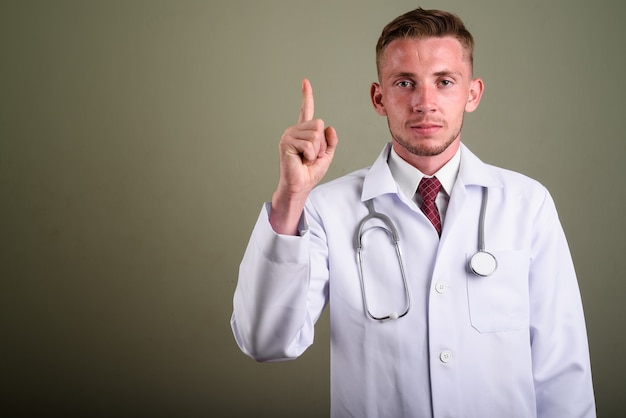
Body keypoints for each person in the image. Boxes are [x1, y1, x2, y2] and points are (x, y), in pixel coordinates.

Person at [231, 7, 595, 418]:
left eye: (444, 82)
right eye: (405, 83)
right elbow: (264, 342)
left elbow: (563, 370)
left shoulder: (527, 205)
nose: (425, 103)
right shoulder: (325, 210)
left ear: (472, 94)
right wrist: (290, 196)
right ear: (379, 97)